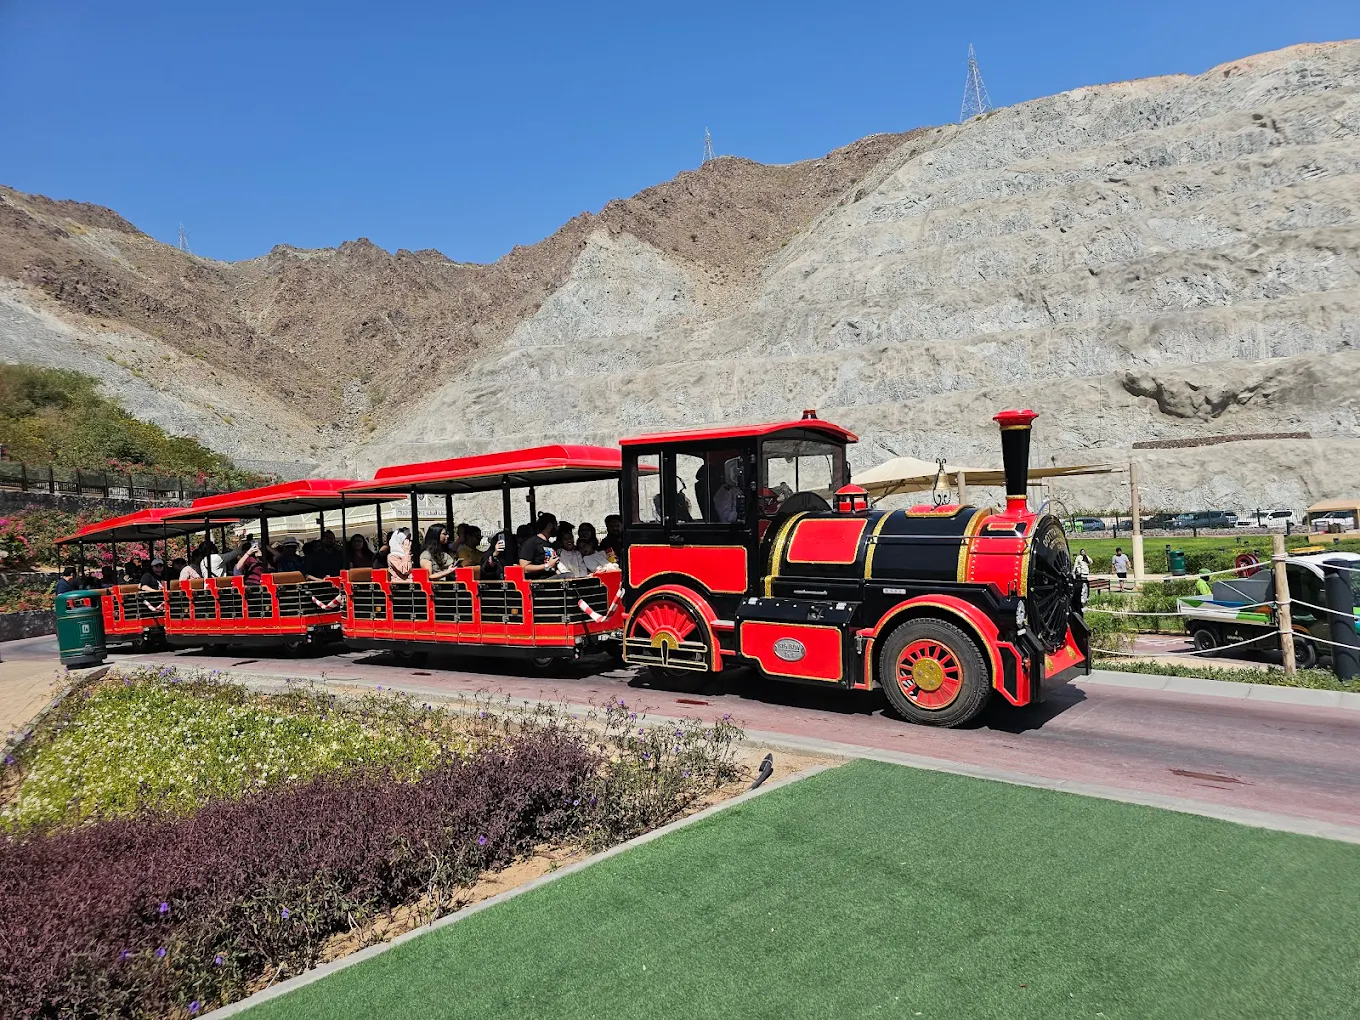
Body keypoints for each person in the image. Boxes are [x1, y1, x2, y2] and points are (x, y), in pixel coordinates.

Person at [518, 513, 561, 579]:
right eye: (555, 525)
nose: (557, 528)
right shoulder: (531, 543)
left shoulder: (550, 544)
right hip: (539, 582)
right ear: (550, 526)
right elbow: (524, 568)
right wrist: (547, 565)